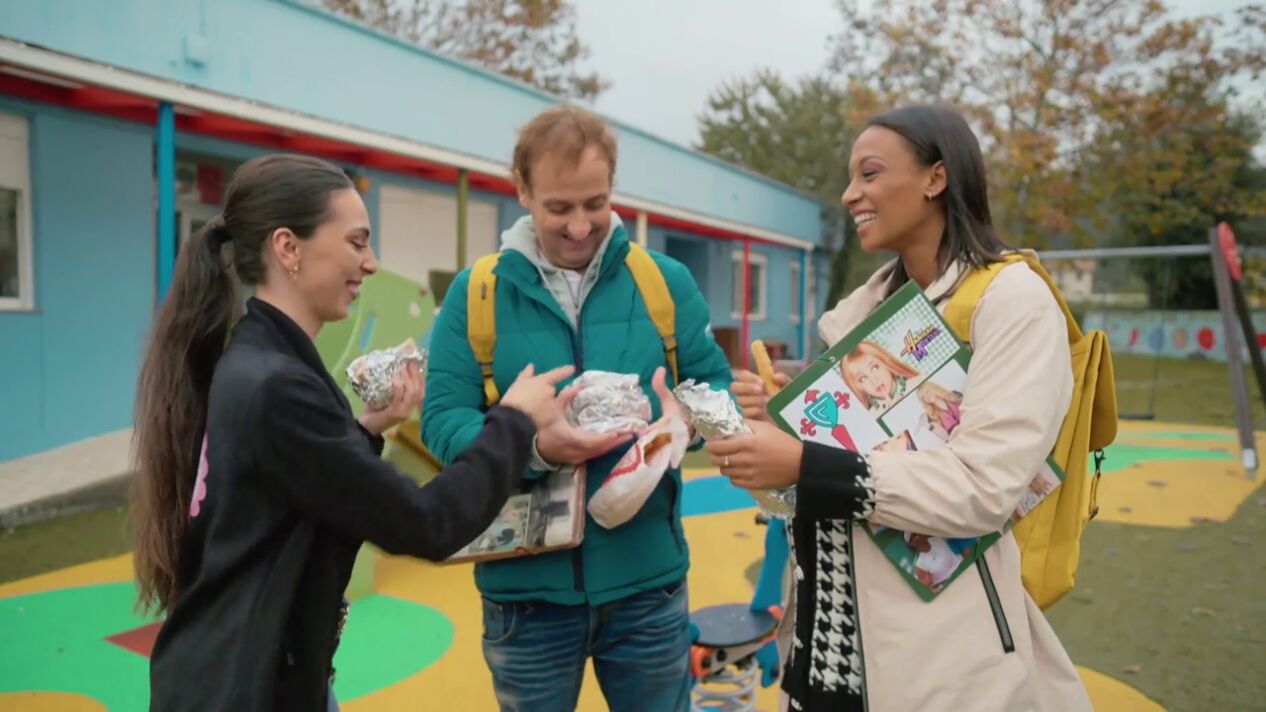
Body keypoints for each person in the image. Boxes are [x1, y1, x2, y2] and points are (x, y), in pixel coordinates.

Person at [131, 154, 571, 711]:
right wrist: (514, 422)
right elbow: (426, 523)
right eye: (356, 242)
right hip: (246, 688)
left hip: (260, 672)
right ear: (288, 248)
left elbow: (298, 482)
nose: (371, 263)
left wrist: (366, 428)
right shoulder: (276, 384)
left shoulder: (258, 358)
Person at [709, 106, 1092, 711]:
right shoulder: (855, 318)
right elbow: (813, 490)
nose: (849, 194)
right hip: (822, 641)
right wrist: (776, 432)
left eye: (869, 174)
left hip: (937, 659)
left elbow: (984, 487)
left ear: (936, 178)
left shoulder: (1013, 301)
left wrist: (804, 461)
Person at [422, 105, 733, 712]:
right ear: (522, 191)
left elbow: (712, 384)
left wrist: (685, 422)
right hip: (525, 597)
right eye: (559, 208)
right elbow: (441, 423)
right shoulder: (477, 294)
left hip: (648, 587)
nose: (581, 226)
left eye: (596, 203)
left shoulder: (664, 282)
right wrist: (535, 447)